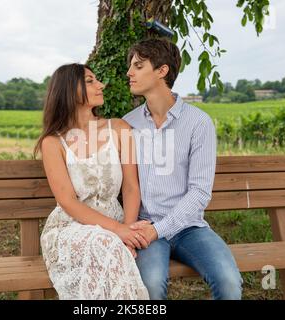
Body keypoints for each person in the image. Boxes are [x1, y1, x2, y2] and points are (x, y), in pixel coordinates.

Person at [122, 38, 243, 300]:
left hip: (189, 228)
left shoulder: (198, 123)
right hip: (145, 227)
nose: (129, 73)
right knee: (150, 286)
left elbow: (200, 193)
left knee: (229, 282)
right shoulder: (128, 125)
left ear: (161, 71)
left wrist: (160, 229)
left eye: (138, 66)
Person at [33, 63, 149, 299]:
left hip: (115, 222)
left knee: (109, 245)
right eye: (90, 81)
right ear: (68, 90)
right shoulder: (53, 143)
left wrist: (127, 232)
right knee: (104, 242)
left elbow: (130, 187)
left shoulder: (118, 128)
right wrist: (119, 232)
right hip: (71, 227)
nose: (100, 85)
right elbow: (67, 201)